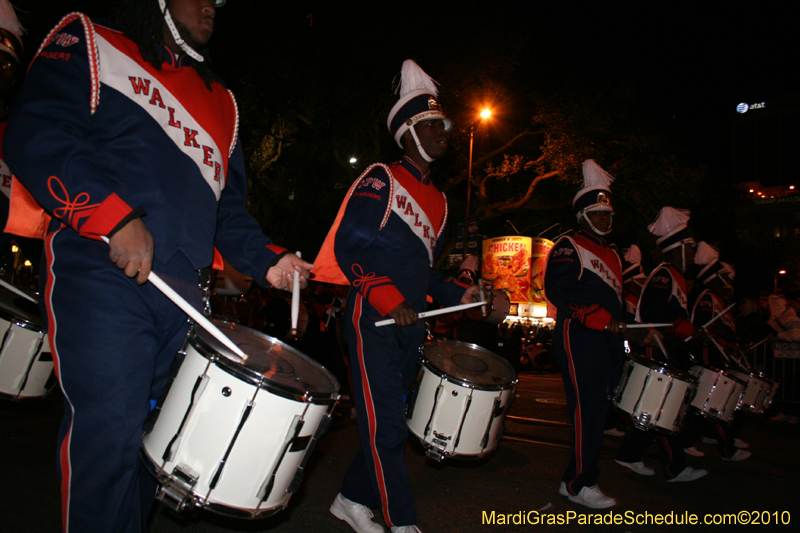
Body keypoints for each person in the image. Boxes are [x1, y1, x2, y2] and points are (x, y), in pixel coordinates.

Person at [2, 2, 313, 532]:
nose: (210, 6)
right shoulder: (92, 42)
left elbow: (227, 212)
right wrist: (112, 215)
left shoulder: (224, 104)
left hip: (186, 299)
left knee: (158, 446)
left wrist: (271, 261)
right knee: (109, 435)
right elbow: (35, 132)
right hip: (102, 272)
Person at [313, 59, 483, 533]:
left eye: (444, 124)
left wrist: (465, 293)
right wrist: (386, 298)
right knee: (386, 424)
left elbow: (426, 277)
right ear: (407, 131)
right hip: (373, 319)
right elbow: (350, 248)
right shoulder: (380, 178)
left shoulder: (442, 202)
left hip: (412, 325)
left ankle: (350, 499)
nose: (444, 132)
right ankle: (400, 521)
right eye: (432, 125)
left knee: (389, 424)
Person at [544, 159, 626, 509]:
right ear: (583, 215)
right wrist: (595, 317)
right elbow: (558, 289)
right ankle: (582, 483)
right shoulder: (568, 244)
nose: (605, 219)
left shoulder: (614, 254)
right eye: (598, 213)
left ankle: (572, 479)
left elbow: (616, 302)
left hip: (605, 340)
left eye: (608, 214)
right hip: (578, 336)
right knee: (587, 411)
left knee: (598, 410)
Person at [615, 207, 708, 482]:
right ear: (678, 249)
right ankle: (674, 467)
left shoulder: (674, 275)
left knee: (658, 409)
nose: (693, 253)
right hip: (657, 349)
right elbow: (657, 317)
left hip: (665, 348)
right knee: (664, 409)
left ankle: (629, 454)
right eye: (689, 248)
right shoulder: (664, 275)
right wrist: (689, 329)